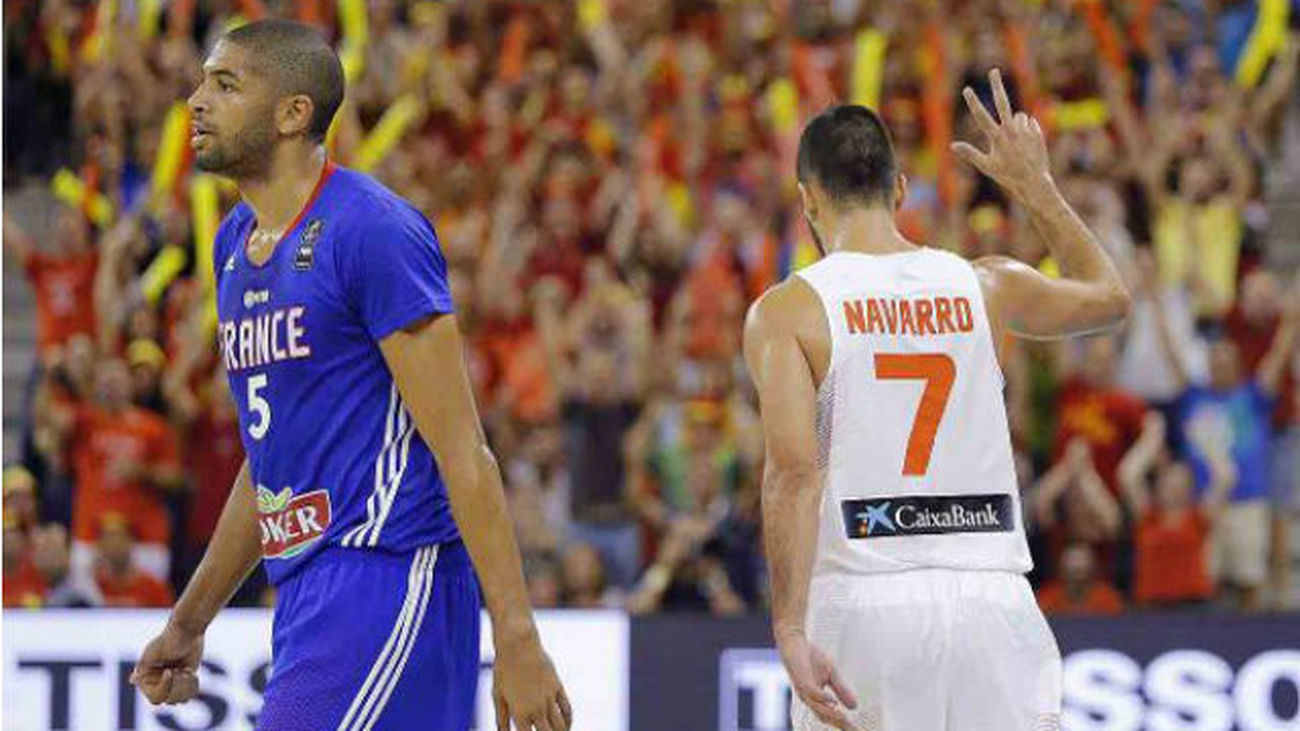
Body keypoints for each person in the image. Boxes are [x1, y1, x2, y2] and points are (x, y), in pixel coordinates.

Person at [130, 21, 569, 731]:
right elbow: (271, 461)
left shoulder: (371, 229)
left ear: (292, 113)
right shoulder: (234, 245)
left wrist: (516, 636)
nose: (195, 100)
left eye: (224, 84)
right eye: (203, 81)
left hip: (390, 570)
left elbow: (465, 451)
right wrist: (189, 619)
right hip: (306, 590)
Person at [743, 69, 1129, 730]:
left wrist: (787, 625)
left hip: (864, 598)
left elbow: (794, 475)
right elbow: (1109, 296)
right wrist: (1035, 186)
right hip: (992, 600)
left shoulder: (789, 311)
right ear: (899, 188)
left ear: (808, 199)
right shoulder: (986, 283)